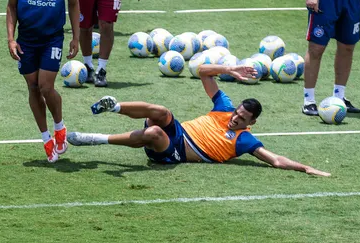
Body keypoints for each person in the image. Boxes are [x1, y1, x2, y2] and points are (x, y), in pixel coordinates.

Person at [66, 65, 330, 175]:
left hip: (177, 152)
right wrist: (229, 70)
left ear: (251, 123)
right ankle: (114, 107)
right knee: (160, 111)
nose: (236, 118)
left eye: (243, 118)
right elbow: (203, 73)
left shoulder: (244, 140)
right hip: (180, 130)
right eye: (238, 112)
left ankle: (94, 139)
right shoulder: (224, 107)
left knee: (155, 133)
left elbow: (274, 160)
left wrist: (305, 167)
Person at [7, 0, 81, 164]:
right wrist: (11, 39)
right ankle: (46, 138)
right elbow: (11, 8)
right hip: (26, 40)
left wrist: (75, 37)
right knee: (32, 87)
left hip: (52, 39)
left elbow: (74, 3)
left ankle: (59, 128)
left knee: (45, 86)